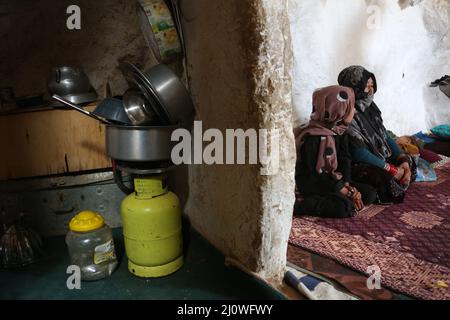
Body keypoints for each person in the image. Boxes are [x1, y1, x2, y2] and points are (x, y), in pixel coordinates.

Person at [294, 85, 377, 218]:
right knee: (343, 208)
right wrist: (343, 190)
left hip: (335, 179)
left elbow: (345, 158)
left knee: (370, 193)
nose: (354, 111)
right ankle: (299, 207)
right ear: (338, 110)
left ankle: (342, 197)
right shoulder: (313, 137)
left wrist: (348, 185)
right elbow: (315, 175)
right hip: (314, 184)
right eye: (350, 108)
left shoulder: (339, 131)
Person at [337, 65, 416, 204]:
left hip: (378, 156)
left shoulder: (370, 107)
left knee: (410, 163)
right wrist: (391, 169)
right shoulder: (346, 112)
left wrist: (402, 160)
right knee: (383, 179)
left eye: (372, 85)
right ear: (353, 87)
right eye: (366, 86)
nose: (371, 90)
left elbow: (383, 135)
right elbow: (359, 154)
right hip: (358, 164)